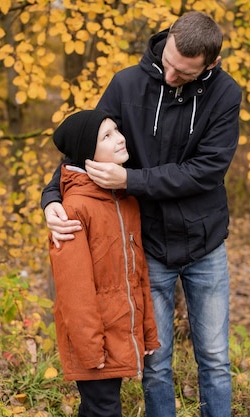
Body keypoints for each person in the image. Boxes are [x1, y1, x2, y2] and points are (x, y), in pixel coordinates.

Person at [42, 11, 241, 417]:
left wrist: (130, 181)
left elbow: (205, 171)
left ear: (210, 65)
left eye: (184, 74)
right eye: (167, 63)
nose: (169, 77)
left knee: (216, 360)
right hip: (148, 246)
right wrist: (51, 198)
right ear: (167, 39)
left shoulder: (225, 95)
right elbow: (82, 146)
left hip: (204, 244)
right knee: (156, 364)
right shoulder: (127, 83)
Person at [47, 109, 160, 417]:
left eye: (116, 130)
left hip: (118, 334)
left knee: (100, 410)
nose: (120, 139)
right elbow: (74, 290)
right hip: (93, 343)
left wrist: (148, 330)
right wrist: (89, 349)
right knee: (104, 410)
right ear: (88, 155)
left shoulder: (126, 202)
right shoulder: (74, 210)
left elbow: (138, 276)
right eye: (106, 136)